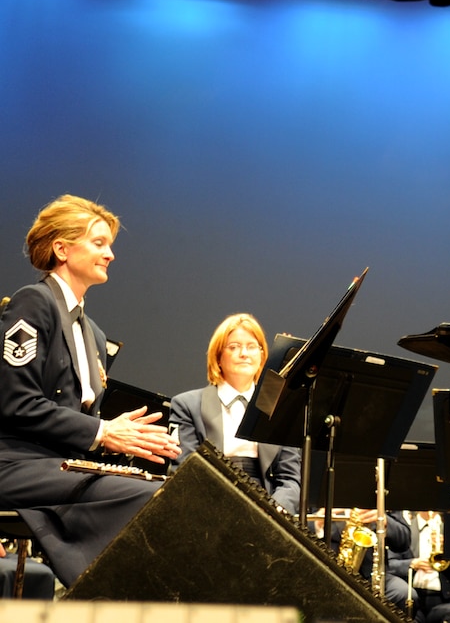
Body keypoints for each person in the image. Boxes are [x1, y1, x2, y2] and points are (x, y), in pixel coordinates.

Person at [0, 194, 180, 587]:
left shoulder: (94, 334)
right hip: (16, 465)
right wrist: (104, 433)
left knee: (168, 493)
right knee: (147, 500)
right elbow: (17, 403)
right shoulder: (34, 303)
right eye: (98, 243)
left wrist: (116, 441)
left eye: (110, 244)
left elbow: (81, 422)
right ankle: (105, 597)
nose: (110, 254)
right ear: (61, 248)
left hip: (62, 466)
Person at [170, 313, 302, 513]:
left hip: (268, 508)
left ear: (263, 356)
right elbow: (183, 471)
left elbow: (290, 480)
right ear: (218, 357)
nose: (244, 354)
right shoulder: (187, 405)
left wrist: (272, 513)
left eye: (252, 346)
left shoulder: (280, 409)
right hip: (209, 504)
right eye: (234, 347)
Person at [389, 509, 450, 623]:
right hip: (413, 596)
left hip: (441, 599)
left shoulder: (449, 531)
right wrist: (412, 563)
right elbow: (390, 565)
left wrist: (447, 553)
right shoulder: (404, 530)